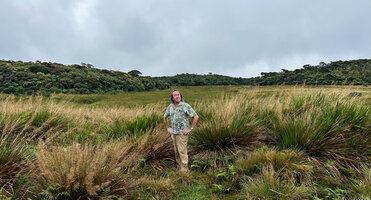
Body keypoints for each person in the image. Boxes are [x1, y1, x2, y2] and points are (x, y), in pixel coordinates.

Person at [163, 90, 199, 172]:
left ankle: (185, 171)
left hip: (182, 134)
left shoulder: (185, 106)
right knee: (176, 152)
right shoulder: (170, 107)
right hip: (174, 133)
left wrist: (191, 129)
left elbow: (196, 116)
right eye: (175, 95)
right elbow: (164, 117)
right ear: (172, 98)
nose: (177, 96)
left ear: (181, 96)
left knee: (182, 152)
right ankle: (179, 167)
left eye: (178, 95)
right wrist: (168, 128)